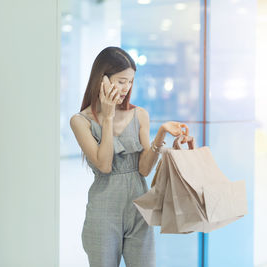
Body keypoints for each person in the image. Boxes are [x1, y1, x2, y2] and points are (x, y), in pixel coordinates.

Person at [69, 46, 189, 267]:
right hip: (103, 213)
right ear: (102, 79)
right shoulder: (80, 121)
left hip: (139, 209)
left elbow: (143, 170)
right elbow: (104, 165)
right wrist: (108, 116)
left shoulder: (140, 115)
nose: (127, 88)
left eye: (131, 82)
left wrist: (160, 134)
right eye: (121, 81)